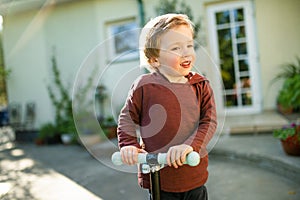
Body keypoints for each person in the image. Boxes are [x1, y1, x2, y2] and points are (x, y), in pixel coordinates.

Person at [117, 13, 217, 200]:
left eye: (189, 45)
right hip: (159, 181)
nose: (187, 52)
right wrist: (128, 145)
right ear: (155, 60)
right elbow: (127, 119)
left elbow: (208, 121)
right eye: (176, 48)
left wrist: (190, 146)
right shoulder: (144, 86)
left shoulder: (200, 85)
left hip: (193, 175)